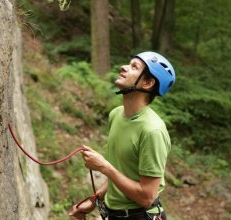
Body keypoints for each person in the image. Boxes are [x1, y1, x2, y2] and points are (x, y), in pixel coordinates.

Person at [69, 51, 176, 220]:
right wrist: (95, 198)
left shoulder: (152, 131)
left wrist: (104, 167)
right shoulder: (116, 115)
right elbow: (122, 171)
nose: (123, 67)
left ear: (148, 82)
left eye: (134, 67)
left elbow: (147, 197)